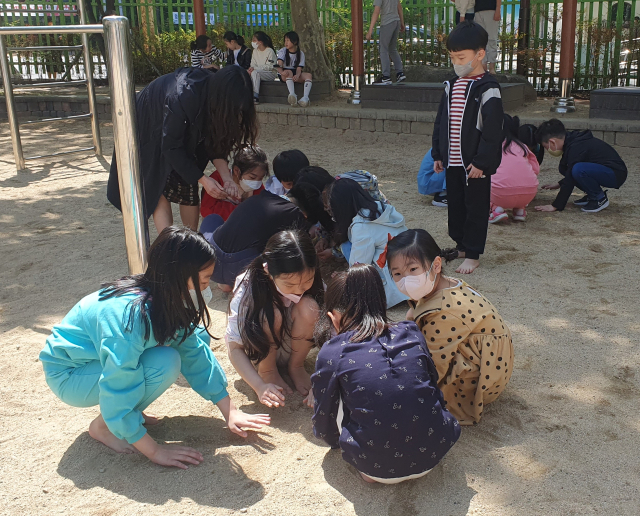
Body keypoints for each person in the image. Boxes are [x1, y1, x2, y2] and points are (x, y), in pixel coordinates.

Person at [40, 227, 270, 468]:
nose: (206, 289)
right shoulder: (129, 317)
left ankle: (125, 419)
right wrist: (155, 451)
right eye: (203, 281)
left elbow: (194, 354)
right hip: (69, 374)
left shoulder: (164, 297)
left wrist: (230, 410)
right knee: (163, 362)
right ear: (178, 276)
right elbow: (118, 383)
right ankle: (104, 427)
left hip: (94, 362)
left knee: (185, 344)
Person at [312, 264, 460, 484]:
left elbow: (325, 412)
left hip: (374, 468)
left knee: (341, 391)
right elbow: (431, 382)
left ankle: (374, 468)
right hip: (434, 452)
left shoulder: (333, 351)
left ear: (334, 318)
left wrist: (334, 441)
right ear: (381, 303)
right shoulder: (411, 332)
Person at [107, 66, 257, 233]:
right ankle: (169, 242)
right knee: (157, 182)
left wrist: (226, 178)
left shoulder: (214, 98)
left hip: (175, 126)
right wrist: (205, 180)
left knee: (189, 176)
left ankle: (190, 239)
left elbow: (215, 144)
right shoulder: (183, 95)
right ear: (222, 99)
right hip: (149, 120)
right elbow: (171, 147)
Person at [387, 229, 513, 426]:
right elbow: (414, 314)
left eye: (413, 270)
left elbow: (433, 368)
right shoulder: (445, 285)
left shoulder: (444, 312)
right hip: (494, 360)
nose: (406, 279)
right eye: (397, 273)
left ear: (436, 265)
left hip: (483, 378)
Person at [432, 21, 504, 274]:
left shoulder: (488, 88)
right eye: (452, 57)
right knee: (457, 205)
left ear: (480, 54)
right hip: (452, 161)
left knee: (476, 207)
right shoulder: (451, 85)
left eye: (461, 57)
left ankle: (473, 253)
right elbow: (441, 121)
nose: (456, 62)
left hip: (475, 164)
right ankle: (461, 245)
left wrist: (483, 162)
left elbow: (494, 130)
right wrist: (438, 153)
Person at [226, 230, 323, 408]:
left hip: (291, 346)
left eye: (307, 281)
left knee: (310, 308)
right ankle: (267, 370)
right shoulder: (247, 287)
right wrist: (259, 385)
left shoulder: (313, 283)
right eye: (290, 284)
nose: (299, 289)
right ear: (268, 271)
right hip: (258, 350)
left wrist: (326, 380)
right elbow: (234, 347)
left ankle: (296, 366)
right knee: (271, 313)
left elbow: (335, 333)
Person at [200, 188, 312, 291]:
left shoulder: (258, 198)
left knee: (213, 218)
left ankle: (226, 281)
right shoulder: (293, 213)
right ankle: (230, 280)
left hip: (211, 264)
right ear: (304, 214)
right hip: (244, 270)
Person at [327, 178, 408, 308]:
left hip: (392, 286)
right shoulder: (385, 208)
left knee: (346, 245)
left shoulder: (361, 226)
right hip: (411, 274)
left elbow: (359, 264)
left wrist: (346, 277)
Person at [534, 119, 628, 214]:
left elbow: (572, 174)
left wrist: (556, 205)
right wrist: (559, 184)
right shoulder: (572, 142)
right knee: (567, 169)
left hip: (616, 173)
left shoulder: (576, 146)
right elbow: (570, 173)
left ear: (552, 142)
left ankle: (599, 198)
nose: (548, 150)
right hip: (606, 170)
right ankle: (592, 194)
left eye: (546, 147)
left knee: (578, 169)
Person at [489, 114, 540, 223]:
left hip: (501, 194)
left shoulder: (493, 146)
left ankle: (496, 209)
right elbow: (536, 169)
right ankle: (520, 210)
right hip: (529, 193)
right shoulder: (522, 146)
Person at [200, 145, 268, 221]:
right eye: (252, 177)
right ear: (236, 171)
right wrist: (244, 210)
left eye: (261, 178)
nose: (256, 182)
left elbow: (262, 208)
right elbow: (206, 211)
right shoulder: (217, 179)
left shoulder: (257, 186)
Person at [366, 0, 406, 85]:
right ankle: (400, 73)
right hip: (396, 21)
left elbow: (376, 11)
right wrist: (402, 23)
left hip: (387, 23)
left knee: (383, 49)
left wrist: (370, 30)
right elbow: (399, 7)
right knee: (392, 48)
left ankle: (386, 77)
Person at [276, 31, 313, 107]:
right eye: (285, 40)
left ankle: (305, 98)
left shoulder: (301, 53)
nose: (286, 43)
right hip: (284, 73)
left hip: (295, 73)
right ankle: (292, 95)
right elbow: (279, 64)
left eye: (288, 41)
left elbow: (299, 68)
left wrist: (297, 75)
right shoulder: (282, 51)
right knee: (288, 72)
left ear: (295, 41)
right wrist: (282, 72)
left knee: (308, 75)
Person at [248, 31, 278, 104]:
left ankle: (255, 96)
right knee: (252, 73)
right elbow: (253, 64)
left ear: (260, 42)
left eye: (254, 40)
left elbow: (270, 67)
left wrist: (255, 68)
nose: (252, 42)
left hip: (270, 73)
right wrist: (252, 68)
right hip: (257, 72)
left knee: (255, 73)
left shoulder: (269, 51)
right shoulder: (255, 51)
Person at [472, 0, 501, 74]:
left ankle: (492, 66)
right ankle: (483, 65)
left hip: (491, 10)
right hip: (477, 11)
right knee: (481, 39)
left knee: (492, 39)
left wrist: (498, 10)